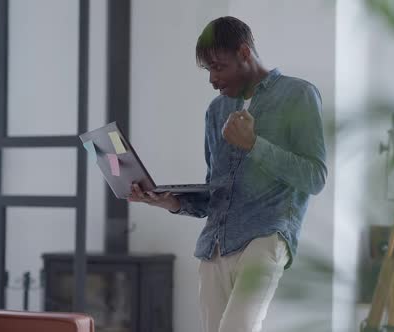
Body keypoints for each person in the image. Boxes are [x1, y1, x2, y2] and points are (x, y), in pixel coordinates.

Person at [128, 16, 327, 332]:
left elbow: (315, 176)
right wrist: (169, 202)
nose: (212, 79)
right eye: (208, 70)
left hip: (266, 233)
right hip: (215, 245)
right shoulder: (216, 111)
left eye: (218, 67)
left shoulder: (298, 95)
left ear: (245, 53)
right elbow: (215, 192)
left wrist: (254, 145)